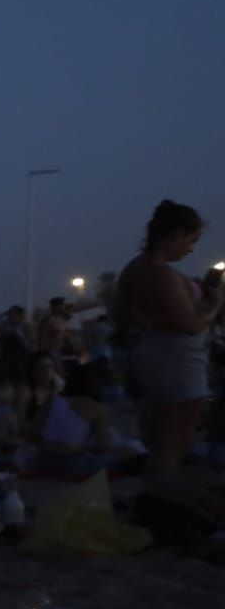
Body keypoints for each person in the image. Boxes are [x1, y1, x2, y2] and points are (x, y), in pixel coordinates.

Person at [114, 200, 221, 482]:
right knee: (175, 441)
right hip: (177, 360)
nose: (191, 248)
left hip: (152, 355)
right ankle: (159, 501)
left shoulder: (133, 268)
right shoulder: (163, 274)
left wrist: (151, 321)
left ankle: (157, 496)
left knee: (162, 437)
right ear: (174, 234)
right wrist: (214, 306)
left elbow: (121, 313)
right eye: (191, 240)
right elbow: (190, 326)